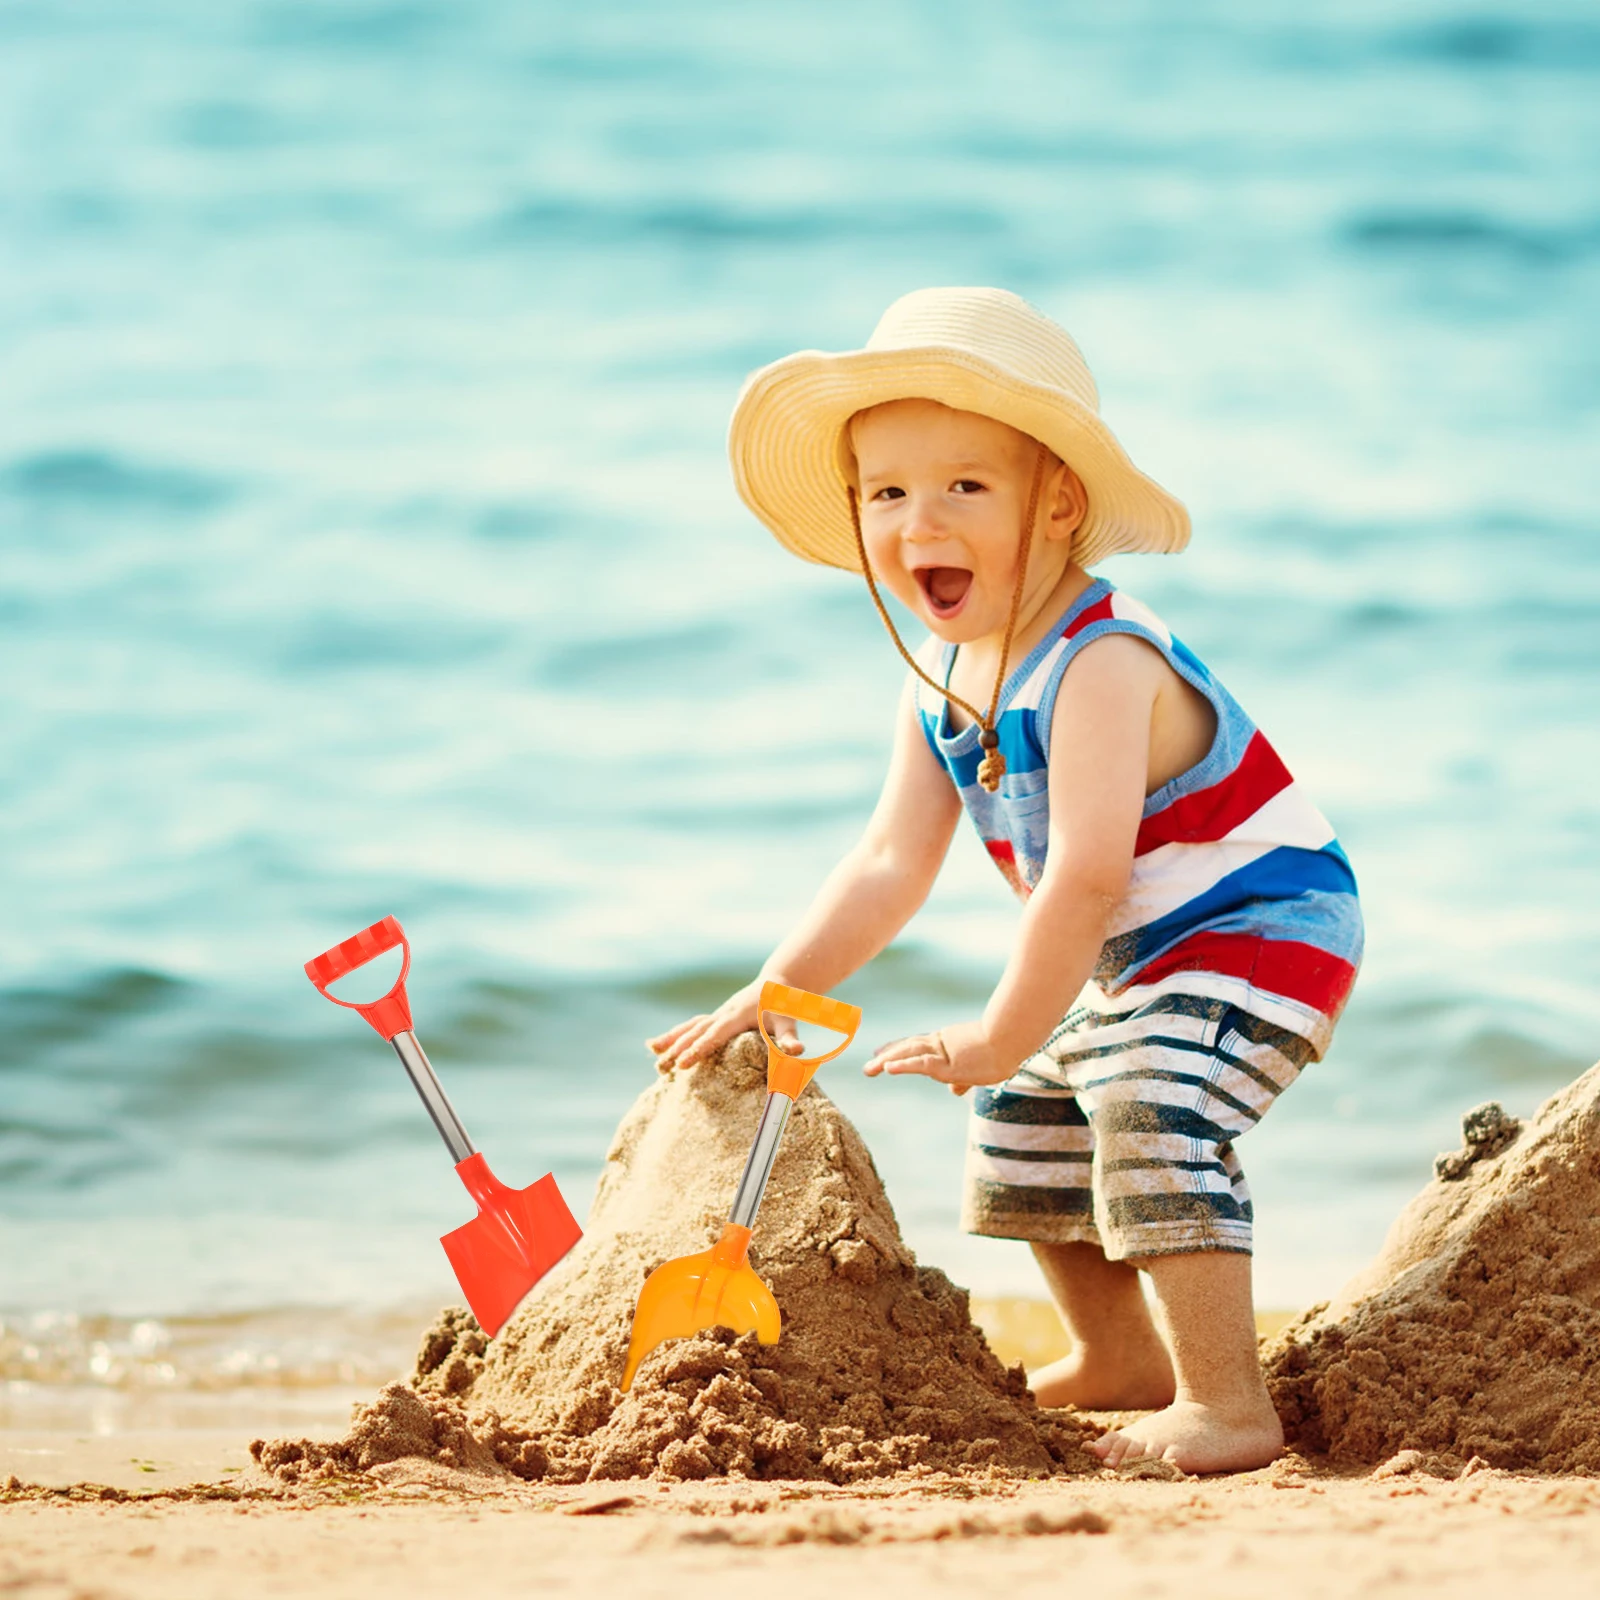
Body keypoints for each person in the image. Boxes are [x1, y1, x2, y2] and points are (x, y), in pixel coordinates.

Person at [649, 287, 1362, 1473]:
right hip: (1143, 946)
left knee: (1147, 1093)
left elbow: (1082, 877)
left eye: (964, 486)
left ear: (1059, 501)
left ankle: (1229, 1403)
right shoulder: (939, 675)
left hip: (1260, 923)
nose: (919, 518)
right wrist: (776, 988)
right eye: (887, 492)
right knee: (1025, 1107)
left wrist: (994, 1024)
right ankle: (1119, 1354)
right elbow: (888, 862)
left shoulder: (1101, 657)